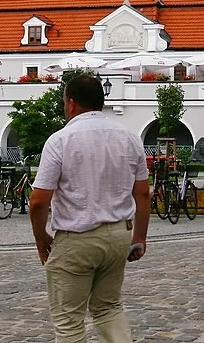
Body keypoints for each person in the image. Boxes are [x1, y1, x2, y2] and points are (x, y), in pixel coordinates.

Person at [28, 75, 150, 343]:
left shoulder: (61, 140)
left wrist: (40, 238)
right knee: (109, 308)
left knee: (69, 318)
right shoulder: (130, 138)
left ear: (71, 104)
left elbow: (38, 201)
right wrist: (139, 237)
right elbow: (142, 193)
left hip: (78, 237)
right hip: (118, 235)